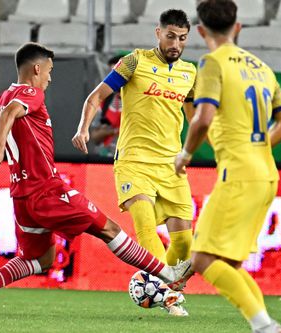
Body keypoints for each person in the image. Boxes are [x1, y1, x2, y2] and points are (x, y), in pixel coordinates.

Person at [0, 42, 191, 313]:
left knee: (41, 259)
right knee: (110, 230)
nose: (50, 77)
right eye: (49, 70)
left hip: (21, 197)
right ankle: (169, 275)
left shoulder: (1, 98)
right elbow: (11, 113)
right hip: (47, 190)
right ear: (36, 68)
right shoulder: (31, 93)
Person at [174, 1, 281, 332]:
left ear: (200, 31)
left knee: (202, 259)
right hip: (265, 173)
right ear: (238, 27)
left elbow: (202, 119)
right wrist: (257, 148)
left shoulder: (212, 63)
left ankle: (266, 327)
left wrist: (185, 155)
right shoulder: (262, 67)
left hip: (240, 173)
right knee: (228, 262)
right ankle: (264, 326)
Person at [72, 9, 196, 315]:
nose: (175, 44)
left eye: (182, 38)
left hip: (171, 166)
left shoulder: (190, 73)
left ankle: (154, 283)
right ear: (158, 33)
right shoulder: (134, 61)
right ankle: (165, 293)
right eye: (170, 36)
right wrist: (83, 127)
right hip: (134, 161)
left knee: (183, 246)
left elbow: (196, 117)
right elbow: (96, 96)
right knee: (145, 227)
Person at [89, 55, 122, 157]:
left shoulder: (141, 100)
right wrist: (114, 131)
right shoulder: (104, 101)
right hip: (104, 160)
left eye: (118, 74)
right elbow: (94, 136)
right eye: (112, 74)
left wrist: (107, 131)